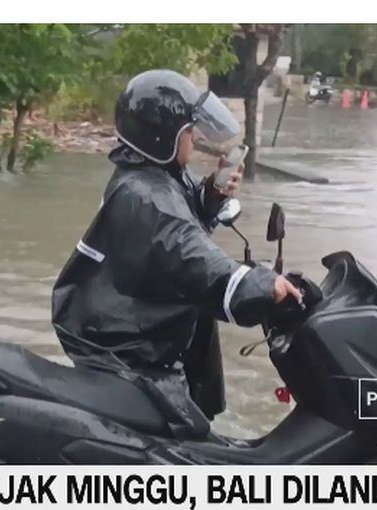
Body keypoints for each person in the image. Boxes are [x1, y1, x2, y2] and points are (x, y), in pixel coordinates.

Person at [51, 69, 302, 440]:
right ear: (163, 135)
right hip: (130, 355)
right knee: (188, 443)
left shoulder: (149, 175)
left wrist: (211, 195)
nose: (195, 137)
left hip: (142, 334)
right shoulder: (145, 196)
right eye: (188, 130)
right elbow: (191, 255)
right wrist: (264, 286)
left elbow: (175, 226)